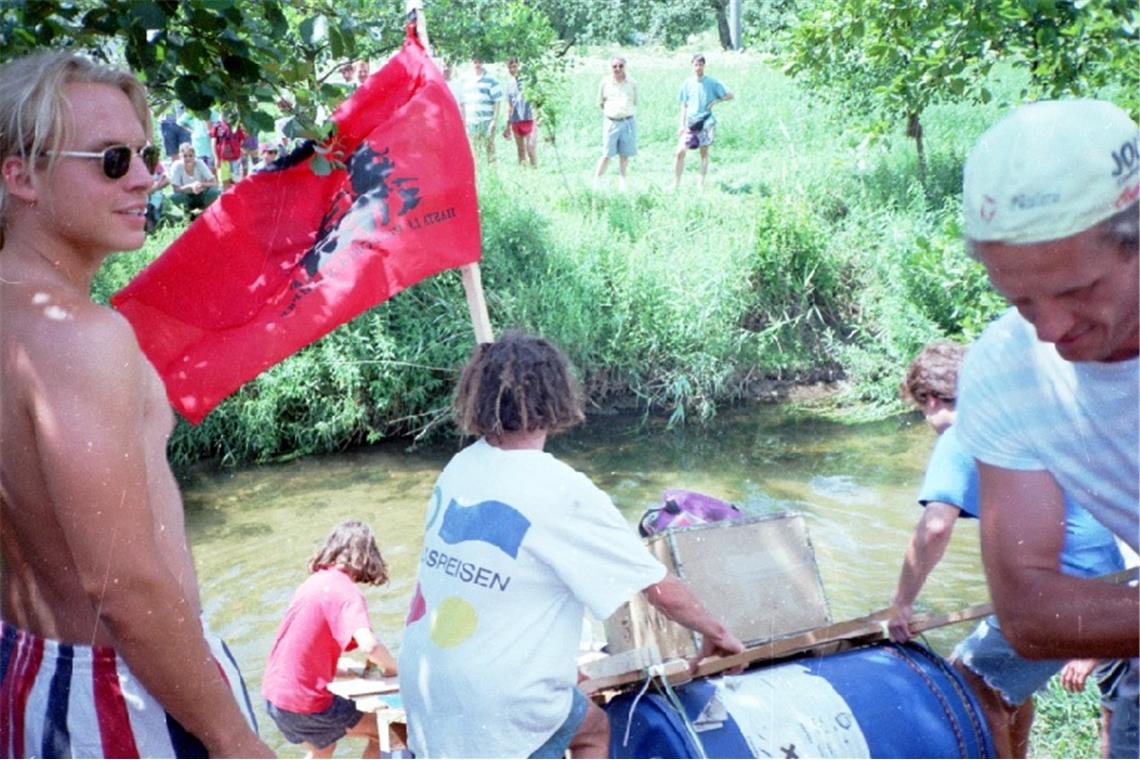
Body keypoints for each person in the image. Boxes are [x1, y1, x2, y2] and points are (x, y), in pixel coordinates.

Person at [0, 51, 269, 757]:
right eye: (113, 160)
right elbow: (122, 586)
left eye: (146, 154)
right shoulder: (78, 336)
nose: (148, 177)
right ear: (20, 174)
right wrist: (235, 738)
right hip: (123, 695)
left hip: (31, 669)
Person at [398, 332, 744, 759]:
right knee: (595, 731)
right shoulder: (562, 490)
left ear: (476, 396)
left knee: (585, 721)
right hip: (499, 709)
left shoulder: (459, 466)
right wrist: (720, 633)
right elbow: (660, 589)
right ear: (556, 396)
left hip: (425, 690)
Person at [954, 99, 1139, 758]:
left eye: (1078, 290)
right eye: (1021, 300)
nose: (1051, 331)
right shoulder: (1008, 372)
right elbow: (1031, 613)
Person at [889, 340, 1126, 758]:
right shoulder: (1020, 417)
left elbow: (935, 527)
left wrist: (902, 604)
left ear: (929, 399)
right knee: (1007, 685)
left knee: (973, 684)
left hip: (1064, 588)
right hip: (1109, 577)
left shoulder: (962, 434)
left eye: (920, 408)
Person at [262, 521, 401, 759]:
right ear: (368, 556)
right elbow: (369, 645)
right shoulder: (346, 591)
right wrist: (391, 668)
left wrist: (331, 669)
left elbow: (300, 644)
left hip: (275, 697)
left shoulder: (312, 584)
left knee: (323, 747)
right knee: (390, 731)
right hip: (305, 704)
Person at [672, 53, 733, 191]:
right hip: (690, 123)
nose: (698, 67)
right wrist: (681, 124)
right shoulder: (687, 83)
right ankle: (676, 184)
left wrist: (717, 101)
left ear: (704, 65)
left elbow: (730, 95)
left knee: (704, 154)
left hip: (706, 121)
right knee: (680, 152)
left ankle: (700, 185)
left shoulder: (712, 82)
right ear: (692, 65)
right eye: (695, 64)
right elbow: (684, 105)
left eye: (700, 64)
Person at [592, 56, 638, 192]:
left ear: (625, 67)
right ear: (611, 67)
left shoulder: (632, 83)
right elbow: (600, 102)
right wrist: (612, 113)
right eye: (614, 66)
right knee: (607, 154)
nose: (617, 69)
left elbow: (635, 101)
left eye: (620, 66)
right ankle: (597, 182)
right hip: (611, 123)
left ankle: (622, 185)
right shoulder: (605, 83)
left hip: (628, 122)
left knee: (625, 155)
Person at [461, 57, 502, 163]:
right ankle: (479, 172)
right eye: (475, 62)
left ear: (483, 63)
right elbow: (462, 101)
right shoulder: (465, 79)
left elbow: (497, 101)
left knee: (490, 146)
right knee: (475, 149)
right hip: (472, 120)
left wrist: (494, 121)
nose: (477, 64)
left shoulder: (491, 79)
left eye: (479, 62)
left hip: (486, 120)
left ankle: (492, 173)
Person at [169, 141, 220, 218]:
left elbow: (214, 182)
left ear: (194, 156)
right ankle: (187, 214)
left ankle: (208, 212)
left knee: (214, 191)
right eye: (185, 156)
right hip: (187, 196)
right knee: (175, 197)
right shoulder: (176, 166)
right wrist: (190, 186)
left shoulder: (200, 163)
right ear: (180, 156)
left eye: (190, 156)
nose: (188, 158)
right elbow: (175, 189)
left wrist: (200, 184)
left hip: (202, 194)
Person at [502, 57, 537, 167]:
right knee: (521, 151)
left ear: (519, 66)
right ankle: (524, 175)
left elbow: (536, 99)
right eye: (510, 67)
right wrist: (507, 126)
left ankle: (535, 172)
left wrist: (539, 116)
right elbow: (509, 105)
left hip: (529, 118)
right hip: (516, 120)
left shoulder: (528, 80)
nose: (512, 69)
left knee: (530, 147)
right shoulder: (509, 84)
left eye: (514, 66)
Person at [143, 144, 169, 233]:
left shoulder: (158, 166)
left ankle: (155, 226)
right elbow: (144, 191)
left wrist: (155, 187)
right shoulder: (141, 168)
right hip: (144, 198)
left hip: (156, 197)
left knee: (154, 207)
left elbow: (167, 179)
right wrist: (157, 185)